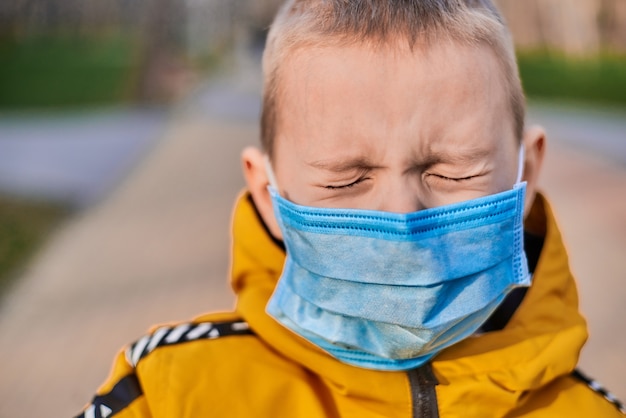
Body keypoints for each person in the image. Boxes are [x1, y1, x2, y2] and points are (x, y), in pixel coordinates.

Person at [76, 1, 625, 417]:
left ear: (527, 173)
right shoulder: (171, 393)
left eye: (452, 172)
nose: (401, 220)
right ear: (268, 193)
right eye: (347, 178)